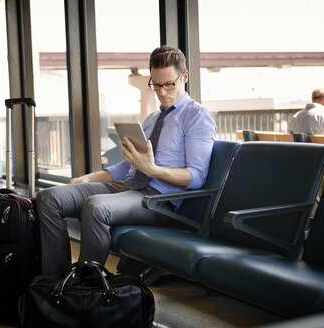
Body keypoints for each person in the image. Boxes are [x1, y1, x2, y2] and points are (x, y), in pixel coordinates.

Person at [35, 45, 217, 275]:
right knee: (48, 198)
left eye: (169, 84)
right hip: (128, 187)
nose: (161, 92)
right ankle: (55, 281)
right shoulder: (152, 119)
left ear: (185, 77)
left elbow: (197, 177)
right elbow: (128, 166)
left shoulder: (197, 116)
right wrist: (90, 177)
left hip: (158, 199)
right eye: (156, 84)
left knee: (96, 206)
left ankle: (85, 286)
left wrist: (153, 169)